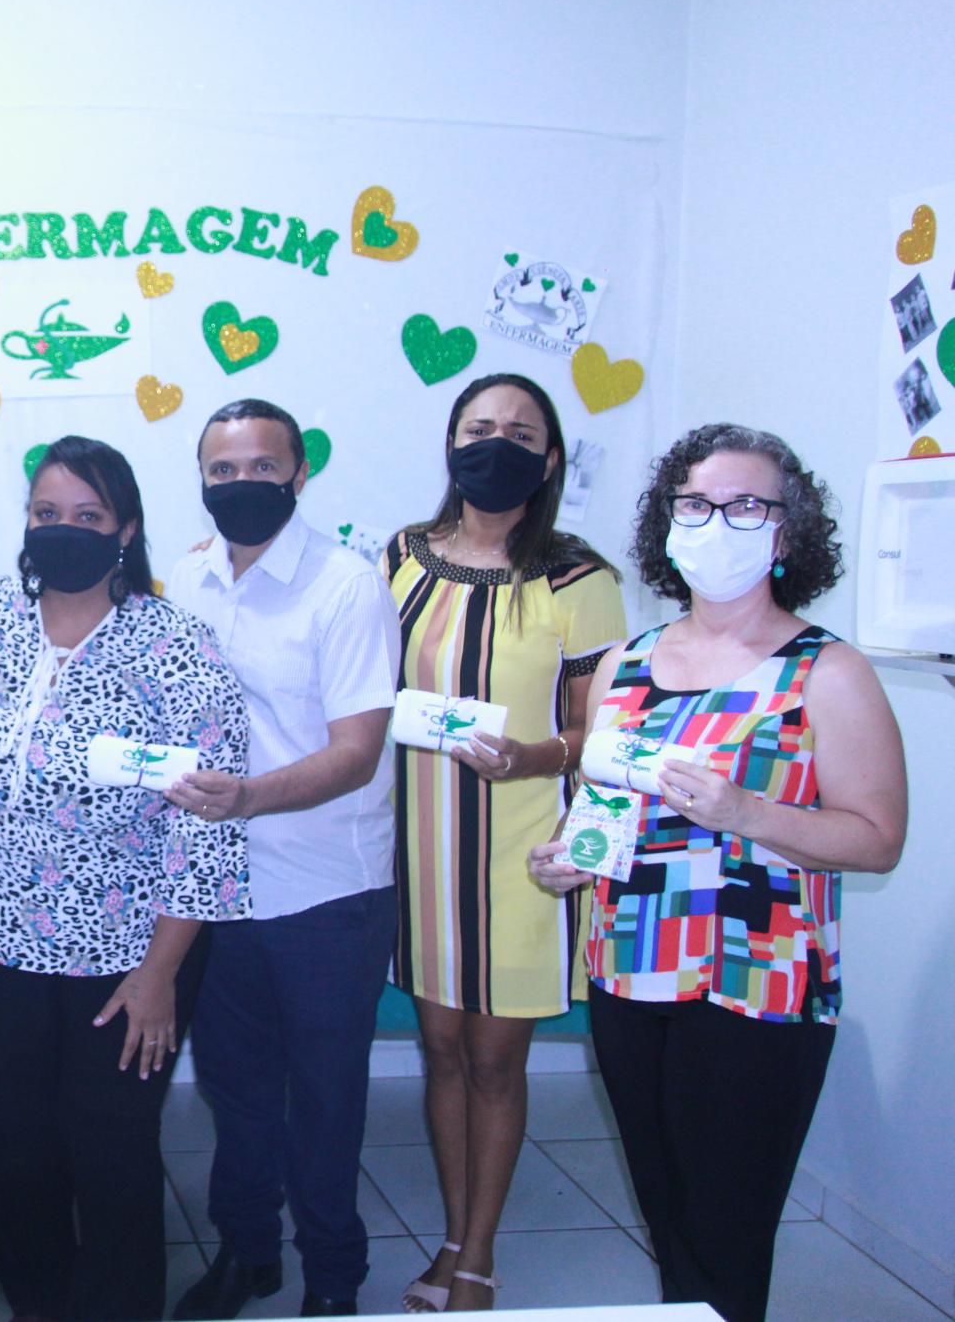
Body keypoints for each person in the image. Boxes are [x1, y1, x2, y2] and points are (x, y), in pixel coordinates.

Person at [530, 424, 907, 1322]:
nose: (714, 523)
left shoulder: (828, 671)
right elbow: (605, 806)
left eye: (744, 505)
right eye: (696, 504)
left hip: (758, 984)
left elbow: (877, 839)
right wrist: (570, 856)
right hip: (629, 971)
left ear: (786, 530)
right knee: (667, 1215)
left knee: (727, 1232)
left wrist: (744, 811)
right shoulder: (624, 664)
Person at [0, 436, 251, 1322]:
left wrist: (160, 976)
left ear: (126, 530)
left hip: (125, 958)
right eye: (46, 513)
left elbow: (208, 825)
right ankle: (37, 1301)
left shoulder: (175, 644)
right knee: (21, 1148)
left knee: (111, 1151)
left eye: (87, 515)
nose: (63, 529)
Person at [383, 374, 626, 1313]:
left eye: (520, 433)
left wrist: (533, 755)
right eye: (479, 427)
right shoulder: (402, 555)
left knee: (494, 1059)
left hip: (524, 850)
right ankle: (451, 1232)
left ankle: (479, 1252)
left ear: (550, 459)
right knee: (441, 1050)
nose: (496, 444)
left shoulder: (580, 578)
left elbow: (600, 732)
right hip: (420, 849)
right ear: (451, 442)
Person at [163, 400, 403, 1319]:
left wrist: (249, 797)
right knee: (237, 1093)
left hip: (326, 893)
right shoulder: (189, 579)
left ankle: (333, 1278)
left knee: (326, 1099)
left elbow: (357, 752)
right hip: (218, 889)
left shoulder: (346, 586)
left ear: (300, 475)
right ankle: (249, 1252)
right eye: (221, 471)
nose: (241, 484)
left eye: (262, 467)